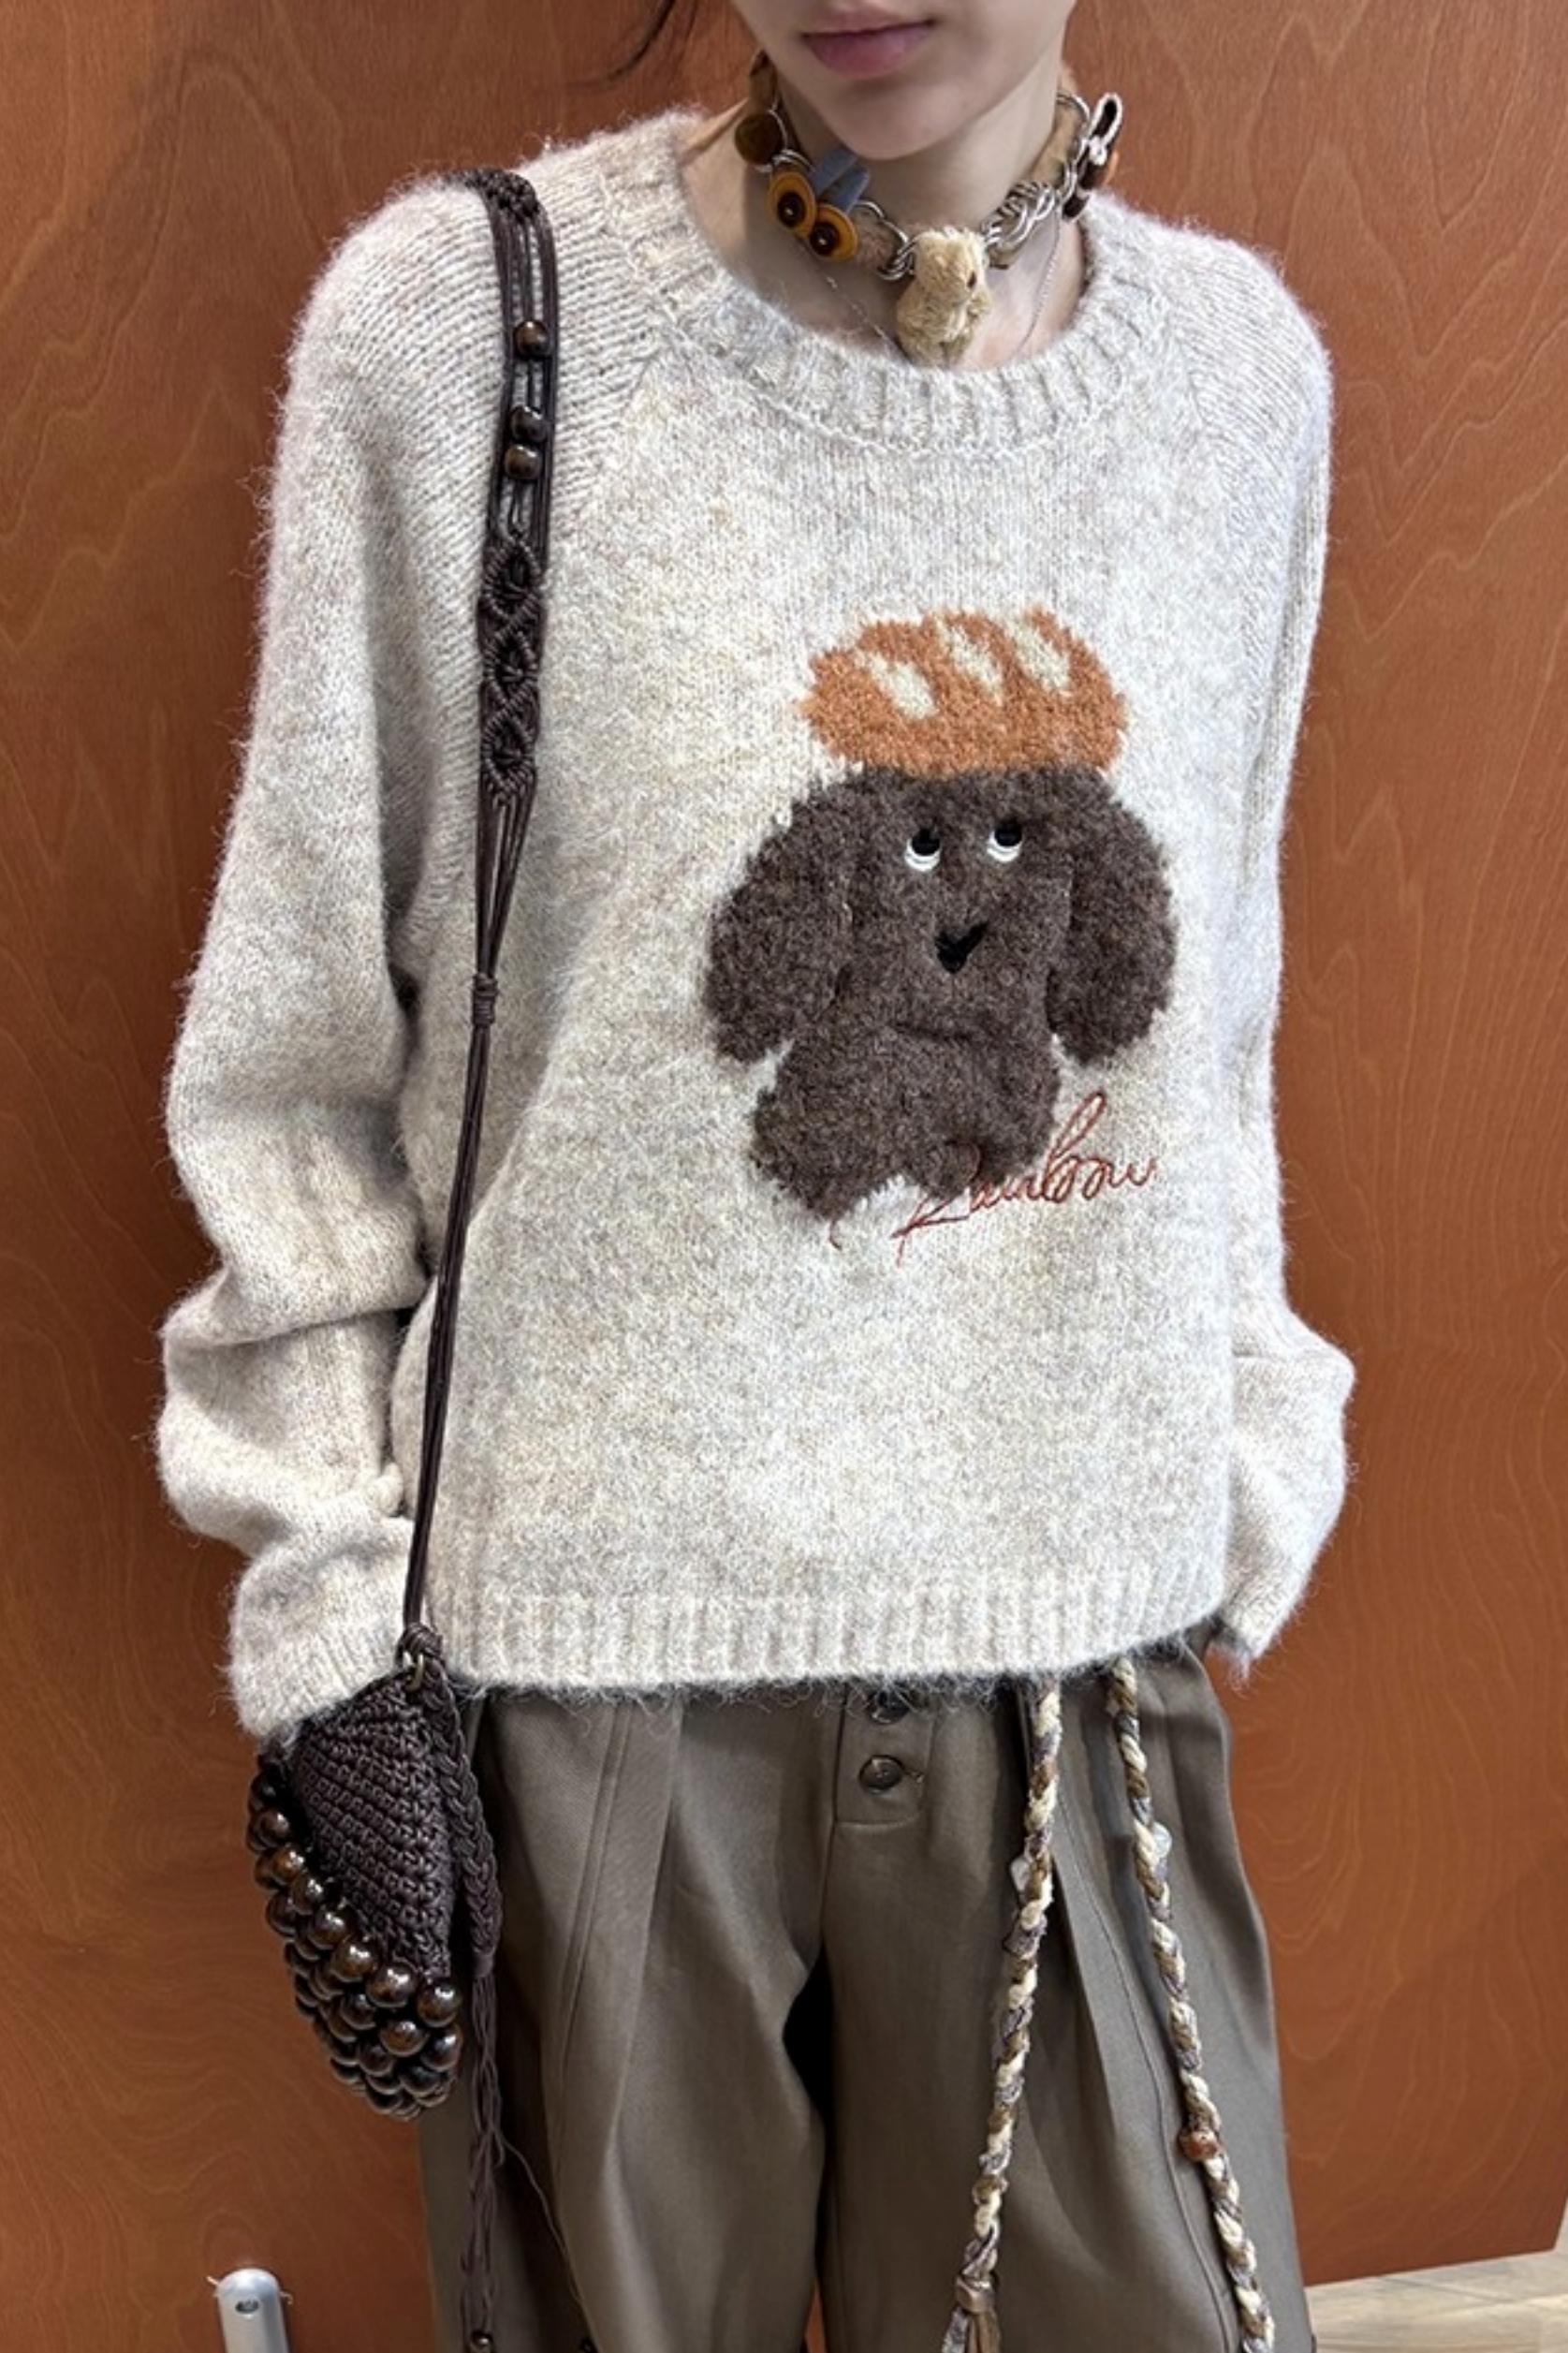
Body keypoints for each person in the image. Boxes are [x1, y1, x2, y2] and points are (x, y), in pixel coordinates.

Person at [153, 2, 1357, 2347]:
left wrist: (1236, 1439)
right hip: (590, 1704)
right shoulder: (468, 339)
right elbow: (295, 1065)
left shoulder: (1240, 389)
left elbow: (1208, 1025)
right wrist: (324, 1622)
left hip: (1081, 1681)